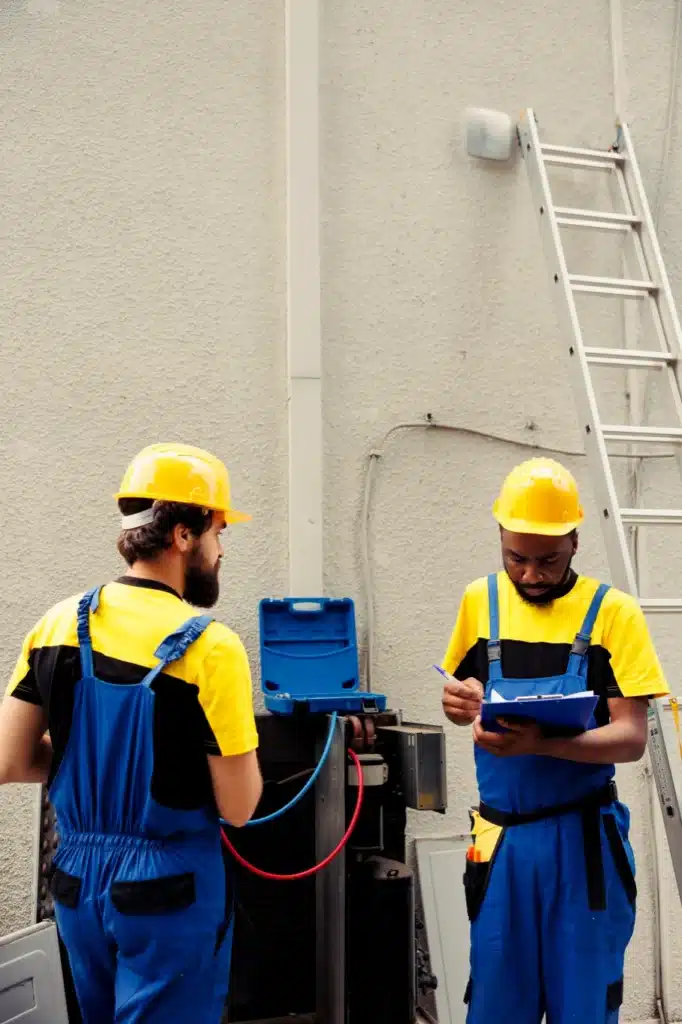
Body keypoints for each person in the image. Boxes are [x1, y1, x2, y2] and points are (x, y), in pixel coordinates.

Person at [0, 442, 263, 1024]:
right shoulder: (212, 647)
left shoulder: (57, 624)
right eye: (219, 532)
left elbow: (8, 761)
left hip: (77, 883)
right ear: (184, 535)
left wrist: (85, 759)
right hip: (170, 891)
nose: (222, 550)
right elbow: (240, 807)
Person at [439, 457, 669, 1024]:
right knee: (496, 1004)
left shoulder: (614, 614)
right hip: (502, 844)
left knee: (584, 1005)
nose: (530, 575)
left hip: (583, 844)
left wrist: (540, 744)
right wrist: (460, 705)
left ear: (574, 542)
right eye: (515, 557)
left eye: (548, 560)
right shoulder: (479, 602)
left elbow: (631, 738)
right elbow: (461, 700)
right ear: (500, 536)